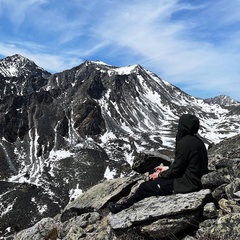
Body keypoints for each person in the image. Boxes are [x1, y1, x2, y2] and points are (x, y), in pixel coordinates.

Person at [108, 114, 208, 214]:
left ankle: (122, 208)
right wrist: (166, 168)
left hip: (187, 184)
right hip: (191, 179)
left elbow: (177, 170)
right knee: (153, 172)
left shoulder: (185, 143)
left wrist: (160, 175)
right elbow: (184, 165)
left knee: (145, 187)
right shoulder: (196, 141)